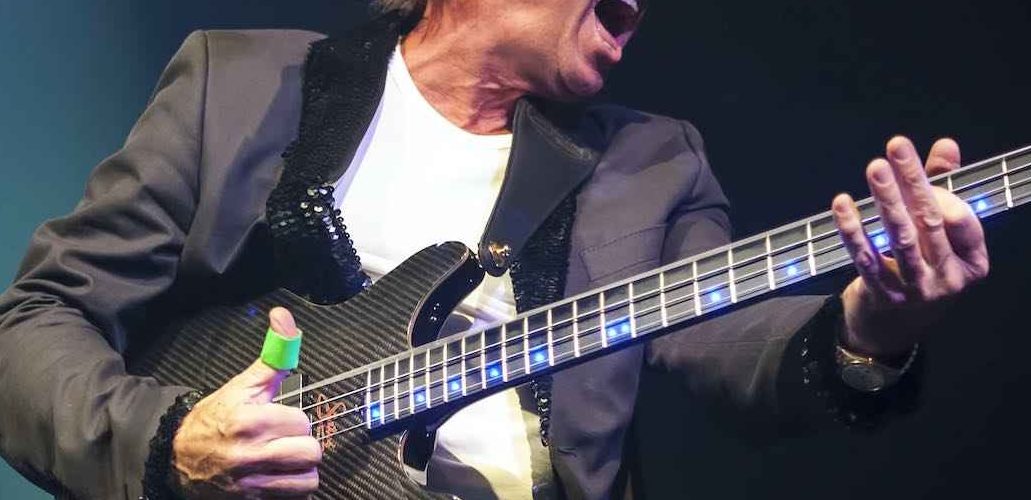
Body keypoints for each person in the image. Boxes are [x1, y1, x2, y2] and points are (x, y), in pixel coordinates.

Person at [0, 0, 989, 498]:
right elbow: (34, 325)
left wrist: (872, 322)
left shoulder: (651, 161)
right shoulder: (241, 82)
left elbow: (731, 345)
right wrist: (169, 442)